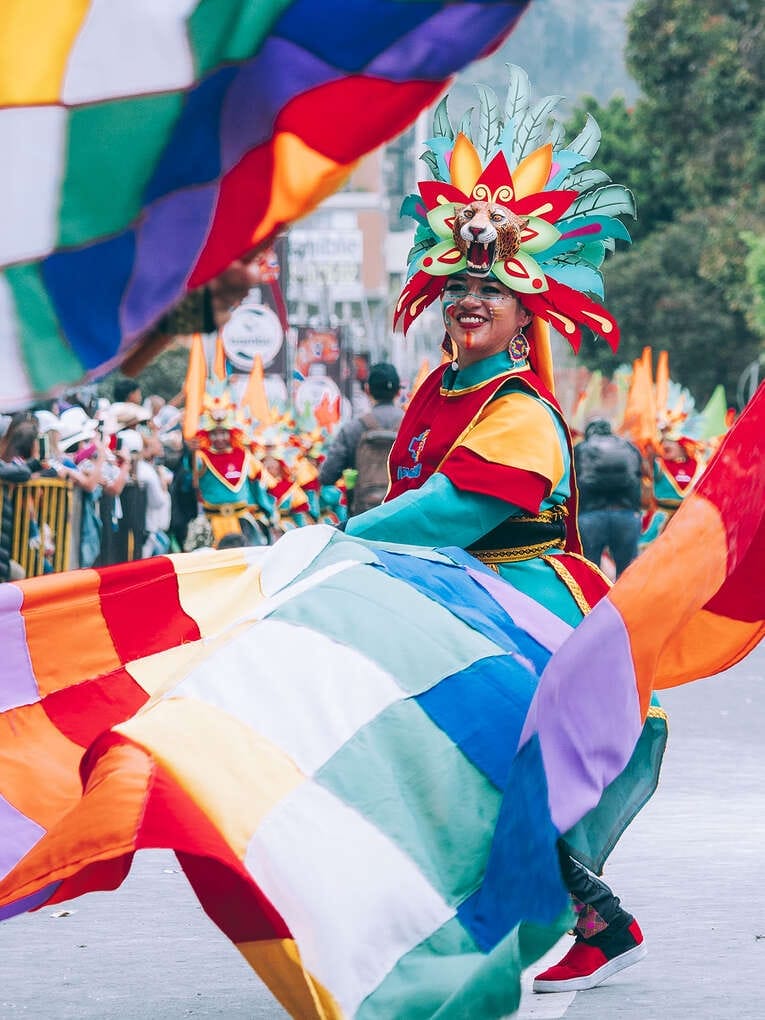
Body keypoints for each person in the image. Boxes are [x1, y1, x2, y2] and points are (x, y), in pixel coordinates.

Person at [341, 72, 658, 993]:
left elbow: (449, 508)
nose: (469, 299)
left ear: (528, 312)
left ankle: (594, 914)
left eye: (491, 288)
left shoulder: (519, 409)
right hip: (444, 592)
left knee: (483, 756)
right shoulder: (439, 390)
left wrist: (345, 536)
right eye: (459, 284)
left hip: (517, 603)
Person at [318, 362, 404, 514]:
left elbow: (327, 475)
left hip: (362, 517)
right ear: (398, 391)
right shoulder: (414, 427)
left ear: (367, 390)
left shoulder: (352, 429)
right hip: (404, 514)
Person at [574, 418, 644, 577]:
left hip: (590, 516)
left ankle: (592, 602)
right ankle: (626, 602)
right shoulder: (629, 447)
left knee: (589, 573)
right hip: (626, 515)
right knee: (626, 575)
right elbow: (639, 477)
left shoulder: (581, 448)